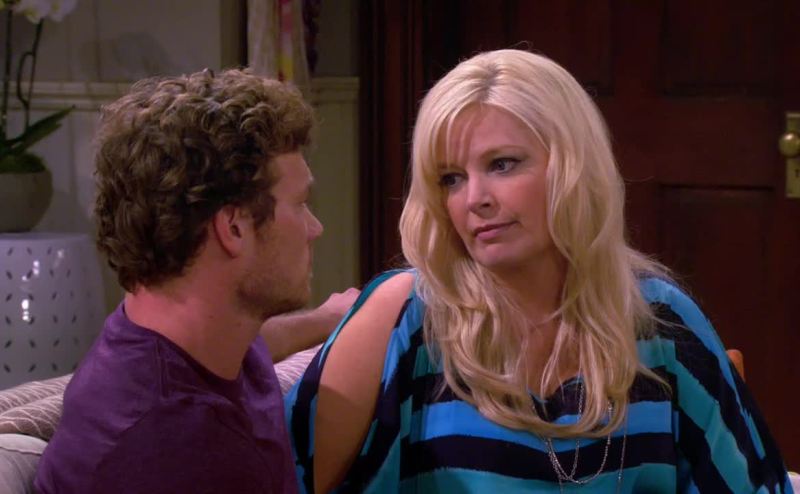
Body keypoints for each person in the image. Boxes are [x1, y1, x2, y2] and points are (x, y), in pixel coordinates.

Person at [286, 50, 792, 493]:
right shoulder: (407, 318)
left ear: (573, 166)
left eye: (502, 164)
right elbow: (277, 477)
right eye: (451, 178)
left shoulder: (659, 319)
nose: (475, 199)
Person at [34, 68, 358, 493]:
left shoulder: (182, 339)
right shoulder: (178, 450)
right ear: (233, 228)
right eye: (300, 204)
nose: (315, 228)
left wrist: (328, 318)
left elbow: (256, 346)